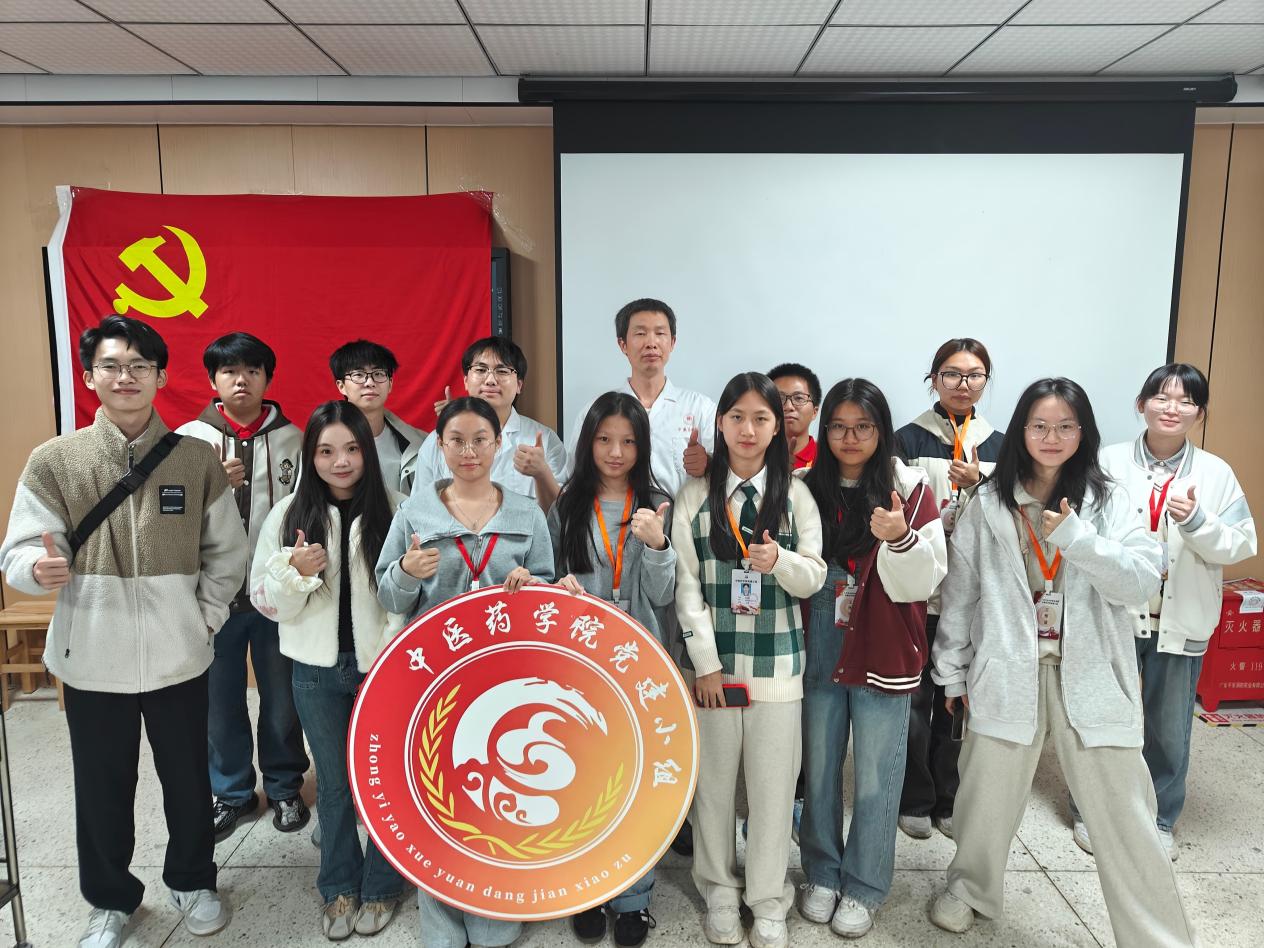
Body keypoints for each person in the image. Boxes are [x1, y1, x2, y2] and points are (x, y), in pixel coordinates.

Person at [0, 315, 246, 947]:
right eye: (111, 365)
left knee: (188, 780)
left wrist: (204, 619)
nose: (126, 376)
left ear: (161, 376)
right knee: (102, 787)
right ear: (90, 377)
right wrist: (35, 569)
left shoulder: (195, 459)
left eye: (140, 366)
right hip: (91, 657)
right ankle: (110, 901)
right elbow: (18, 550)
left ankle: (193, 881)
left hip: (179, 657)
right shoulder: (56, 461)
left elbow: (227, 553)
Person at [928, 378, 1197, 947]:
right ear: (1021, 431)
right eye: (1040, 426)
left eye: (1066, 427)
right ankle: (970, 889)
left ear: (1084, 432)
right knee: (984, 794)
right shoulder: (989, 503)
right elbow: (961, 594)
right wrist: (951, 672)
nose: (1052, 437)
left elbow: (1140, 583)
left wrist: (1078, 538)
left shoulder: (1110, 500)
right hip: (1007, 668)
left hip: (1092, 673)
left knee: (1125, 812)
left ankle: (1157, 935)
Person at [376, 396, 554, 948]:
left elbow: (549, 591)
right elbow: (388, 594)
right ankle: (442, 920)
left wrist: (534, 584)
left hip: (505, 682)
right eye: (456, 439)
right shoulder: (415, 513)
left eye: (480, 439)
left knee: (499, 797)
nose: (469, 450)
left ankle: (495, 914)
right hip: (435, 683)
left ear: (498, 444)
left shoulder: (526, 513)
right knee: (438, 800)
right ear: (440, 444)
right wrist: (406, 571)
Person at [1069, 363, 1256, 858]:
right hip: (1115, 613)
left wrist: (1196, 521)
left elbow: (1241, 543)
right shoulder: (1107, 461)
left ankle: (1159, 817)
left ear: (1199, 413)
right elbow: (1082, 533)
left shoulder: (1216, 473)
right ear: (1142, 404)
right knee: (1102, 717)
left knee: (1169, 730)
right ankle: (1090, 810)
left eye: (1186, 401)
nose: (1173, 408)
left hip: (1180, 619)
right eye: (1162, 397)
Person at [673, 372, 826, 948]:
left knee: (772, 792)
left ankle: (767, 900)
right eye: (737, 416)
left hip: (777, 669)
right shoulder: (695, 496)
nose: (748, 429)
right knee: (712, 789)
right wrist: (705, 664)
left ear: (777, 427)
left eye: (761, 418)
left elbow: (814, 578)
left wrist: (778, 561)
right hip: (714, 672)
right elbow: (687, 586)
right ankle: (718, 890)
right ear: (720, 423)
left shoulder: (796, 495)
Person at [250, 400, 408, 940]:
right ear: (309, 456)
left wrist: (386, 654)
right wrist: (293, 574)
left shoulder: (396, 510)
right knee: (336, 785)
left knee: (383, 780)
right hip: (314, 672)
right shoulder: (288, 515)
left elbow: (406, 599)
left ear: (367, 452)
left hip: (380, 669)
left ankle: (383, 884)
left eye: (352, 449)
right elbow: (266, 603)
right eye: (326, 451)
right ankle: (338, 885)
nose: (341, 462)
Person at [797, 379, 947, 939]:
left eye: (863, 426)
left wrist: (902, 537)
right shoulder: (803, 488)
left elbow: (927, 582)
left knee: (877, 778)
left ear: (881, 430)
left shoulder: (911, 489)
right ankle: (821, 872)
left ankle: (864, 885)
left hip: (883, 643)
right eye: (838, 426)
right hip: (819, 643)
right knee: (819, 769)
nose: (850, 438)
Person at [550, 391, 676, 947]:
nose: (616, 452)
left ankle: (633, 898)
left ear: (642, 446)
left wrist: (658, 545)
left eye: (628, 441)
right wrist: (557, 585)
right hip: (582, 665)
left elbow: (665, 595)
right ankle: (588, 889)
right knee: (581, 780)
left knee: (636, 784)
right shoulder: (567, 505)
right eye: (604, 439)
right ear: (588, 443)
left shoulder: (658, 503)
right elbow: (548, 584)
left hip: (640, 663)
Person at [176, 331, 309, 841]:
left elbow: (306, 511)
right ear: (213, 379)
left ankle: (284, 787)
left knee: (282, 701)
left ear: (267, 379)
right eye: (230, 371)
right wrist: (211, 486)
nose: (241, 380)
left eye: (253, 370)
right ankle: (231, 792)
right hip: (213, 597)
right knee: (219, 702)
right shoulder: (187, 440)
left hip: (276, 597)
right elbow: (167, 520)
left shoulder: (295, 438)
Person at [896, 338, 1005, 841]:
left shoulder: (1000, 444)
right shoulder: (906, 440)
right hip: (920, 591)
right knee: (915, 699)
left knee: (957, 696)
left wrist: (982, 481)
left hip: (972, 592)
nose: (964, 384)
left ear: (986, 381)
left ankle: (949, 796)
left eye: (974, 375)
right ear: (933, 379)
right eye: (952, 374)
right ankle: (914, 797)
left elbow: (1015, 511)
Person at [565, 299, 717, 499]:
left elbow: (731, 469)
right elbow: (575, 476)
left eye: (660, 333)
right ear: (623, 344)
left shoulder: (700, 407)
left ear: (672, 342)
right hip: (614, 516)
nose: (651, 343)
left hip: (682, 518)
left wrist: (708, 463)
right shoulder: (597, 411)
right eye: (640, 333)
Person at [329, 339, 427, 493]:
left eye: (378, 374)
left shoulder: (421, 444)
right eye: (359, 374)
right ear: (341, 386)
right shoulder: (323, 443)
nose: (370, 382)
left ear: (390, 384)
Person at [767, 363, 821, 471]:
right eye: (779, 398)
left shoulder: (827, 456)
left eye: (799, 398)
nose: (788, 407)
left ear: (814, 412)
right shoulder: (755, 455)